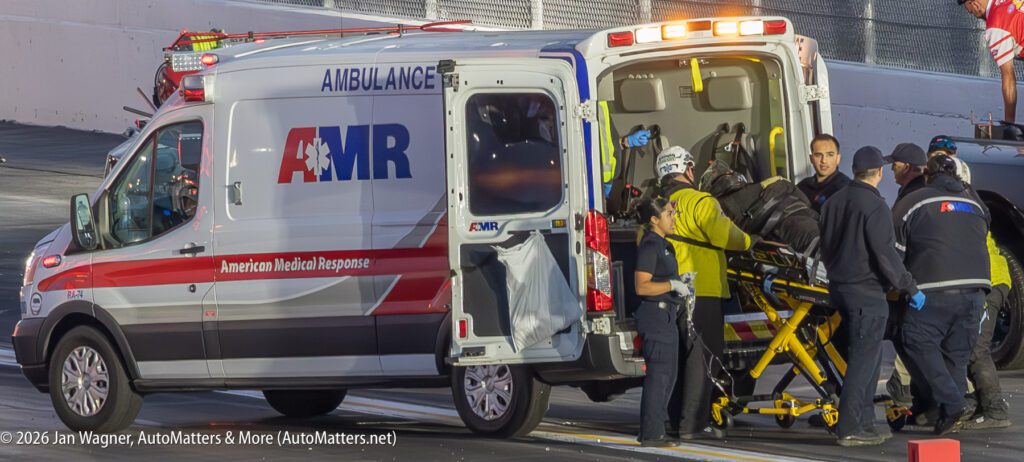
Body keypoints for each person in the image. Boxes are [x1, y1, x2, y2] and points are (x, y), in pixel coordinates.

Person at [819, 146, 922, 446]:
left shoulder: (833, 202)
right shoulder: (875, 206)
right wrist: (908, 286)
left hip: (838, 288)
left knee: (868, 356)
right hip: (867, 293)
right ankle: (849, 427)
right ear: (878, 172)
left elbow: (824, 246)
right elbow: (885, 255)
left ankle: (865, 422)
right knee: (864, 362)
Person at [655, 146, 759, 439]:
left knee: (676, 358)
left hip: (666, 290)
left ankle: (674, 420)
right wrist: (751, 240)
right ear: (688, 169)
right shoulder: (701, 200)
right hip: (702, 289)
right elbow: (725, 235)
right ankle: (692, 425)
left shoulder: (657, 204)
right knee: (702, 358)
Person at [892, 154, 991, 435]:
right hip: (976, 291)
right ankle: (947, 412)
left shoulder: (914, 201)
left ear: (928, 176)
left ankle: (952, 401)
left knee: (914, 340)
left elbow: (895, 249)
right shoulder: (975, 203)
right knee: (956, 355)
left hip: (934, 290)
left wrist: (899, 283)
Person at [633, 197, 692, 447]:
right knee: (659, 376)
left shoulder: (664, 245)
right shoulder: (650, 246)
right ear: (654, 220)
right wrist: (671, 285)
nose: (673, 218)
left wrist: (682, 282)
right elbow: (641, 286)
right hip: (655, 316)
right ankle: (651, 433)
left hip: (667, 314)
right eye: (668, 214)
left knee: (669, 376)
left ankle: (656, 427)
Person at [961, 0, 1023, 125]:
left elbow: (1008, 77)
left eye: (967, 7)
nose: (968, 11)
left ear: (975, 4)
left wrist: (1009, 125)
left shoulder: (996, 26)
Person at [798, 134, 851, 213]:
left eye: (830, 155)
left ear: (838, 158)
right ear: (811, 159)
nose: (824, 160)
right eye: (818, 155)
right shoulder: (803, 187)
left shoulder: (846, 189)